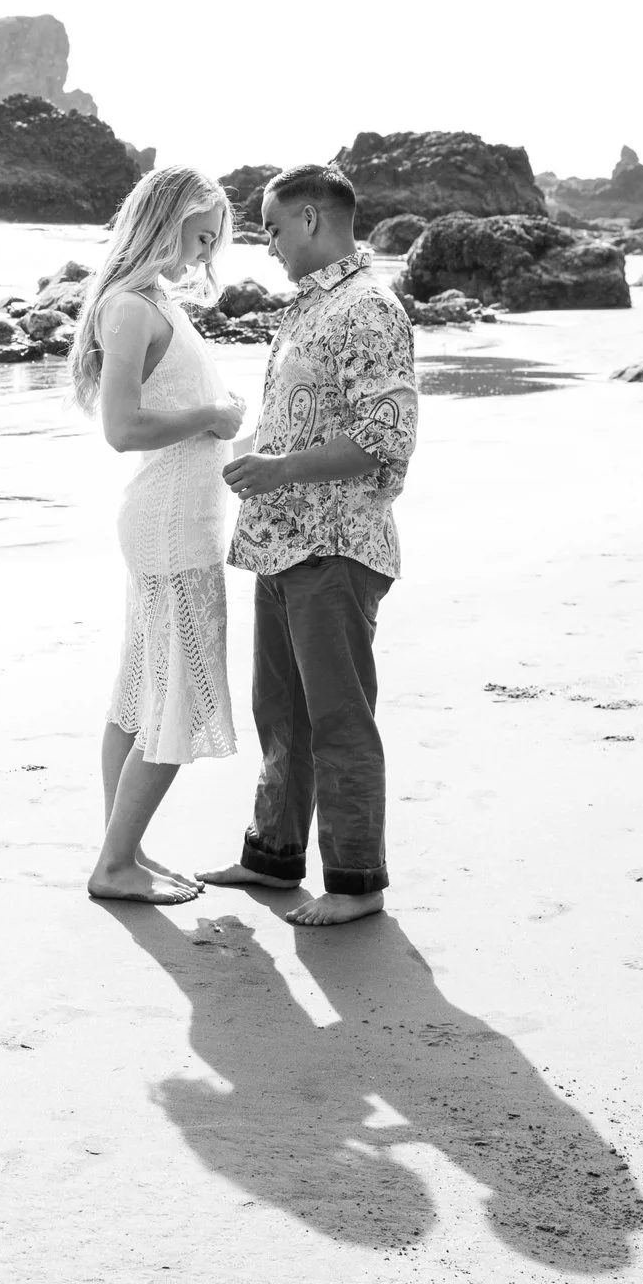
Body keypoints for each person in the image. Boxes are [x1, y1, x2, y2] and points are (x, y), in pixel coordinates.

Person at [198, 163, 418, 926]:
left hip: (335, 545)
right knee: (281, 712)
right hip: (283, 542)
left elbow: (384, 438)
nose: (267, 245)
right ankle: (274, 856)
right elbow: (299, 419)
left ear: (315, 220)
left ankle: (357, 884)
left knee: (339, 718)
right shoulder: (311, 307)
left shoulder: (367, 308)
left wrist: (281, 468)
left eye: (274, 227)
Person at [70, 165, 248, 904]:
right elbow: (122, 429)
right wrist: (212, 418)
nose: (206, 256)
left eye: (214, 244)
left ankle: (126, 851)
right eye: (200, 236)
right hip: (170, 521)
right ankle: (114, 865)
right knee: (180, 695)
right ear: (165, 219)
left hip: (178, 515)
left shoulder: (152, 301)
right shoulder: (131, 308)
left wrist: (217, 411)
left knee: (140, 691)